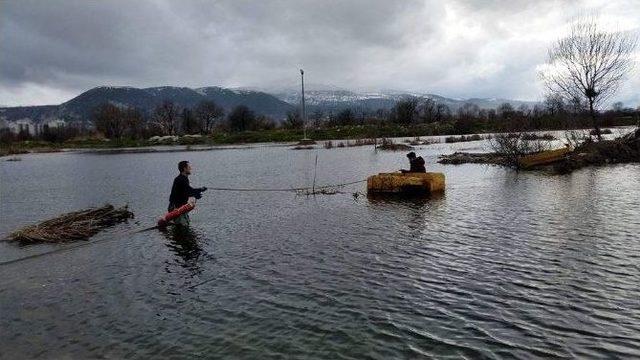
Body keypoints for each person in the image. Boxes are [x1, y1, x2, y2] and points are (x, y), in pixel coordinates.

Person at [168, 161, 207, 225]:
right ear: (184, 168)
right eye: (189, 167)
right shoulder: (180, 179)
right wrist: (200, 190)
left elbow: (186, 192)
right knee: (182, 226)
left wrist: (197, 193)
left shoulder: (184, 178)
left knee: (186, 225)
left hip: (180, 208)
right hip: (176, 208)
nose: (190, 168)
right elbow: (189, 191)